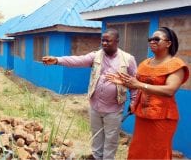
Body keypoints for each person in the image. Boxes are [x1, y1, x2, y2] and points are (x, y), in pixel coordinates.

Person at [42, 29, 138, 160]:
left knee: (111, 138)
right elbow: (78, 60)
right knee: (96, 135)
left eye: (108, 41)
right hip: (95, 106)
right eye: (102, 40)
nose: (104, 43)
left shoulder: (128, 59)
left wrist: (134, 101)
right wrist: (58, 60)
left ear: (116, 41)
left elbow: (134, 83)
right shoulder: (96, 55)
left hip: (114, 109)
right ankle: (97, 157)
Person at [106, 27, 189, 159]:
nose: (152, 42)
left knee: (157, 152)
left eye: (156, 39)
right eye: (150, 39)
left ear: (168, 43)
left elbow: (169, 90)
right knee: (138, 150)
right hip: (143, 115)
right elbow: (137, 85)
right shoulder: (145, 63)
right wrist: (125, 82)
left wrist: (138, 84)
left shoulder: (176, 65)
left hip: (162, 118)